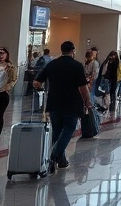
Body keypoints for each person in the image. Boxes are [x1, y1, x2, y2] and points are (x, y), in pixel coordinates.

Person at [33, 41, 93, 173]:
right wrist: (87, 101)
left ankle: (62, 161)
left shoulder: (52, 64)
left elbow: (36, 82)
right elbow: (83, 87)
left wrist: (43, 88)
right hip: (72, 103)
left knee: (57, 130)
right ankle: (54, 155)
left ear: (61, 50)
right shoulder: (77, 66)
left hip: (54, 102)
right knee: (69, 128)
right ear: (73, 50)